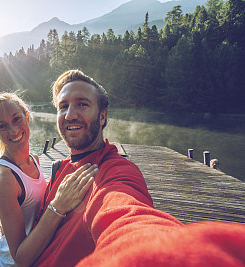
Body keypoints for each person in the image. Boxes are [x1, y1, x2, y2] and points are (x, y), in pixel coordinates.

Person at [31, 70, 245, 266]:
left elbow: (128, 217)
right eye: (63, 106)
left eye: (82, 104)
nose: (70, 115)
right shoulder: (60, 168)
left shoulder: (116, 171)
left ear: (103, 116)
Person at [0, 92, 98, 267]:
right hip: (6, 263)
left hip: (39, 253)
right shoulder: (4, 177)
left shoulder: (34, 159)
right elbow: (20, 259)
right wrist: (58, 205)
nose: (13, 131)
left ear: (27, 117)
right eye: (2, 126)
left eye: (16, 119)